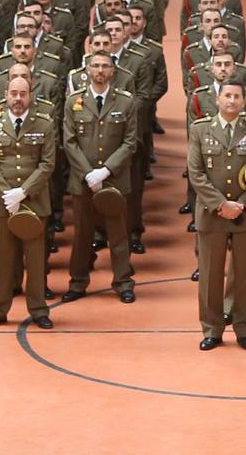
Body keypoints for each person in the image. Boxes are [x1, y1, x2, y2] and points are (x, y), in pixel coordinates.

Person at [187, 80, 246, 350]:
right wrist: (221, 204)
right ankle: (212, 329)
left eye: (237, 96)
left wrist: (241, 205)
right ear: (218, 99)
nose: (232, 101)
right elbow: (196, 173)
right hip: (212, 213)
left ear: (245, 101)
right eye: (227, 96)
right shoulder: (200, 129)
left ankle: (245, 329)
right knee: (210, 275)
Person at [0, 75, 57, 330]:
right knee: (2, 259)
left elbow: (47, 163)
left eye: (23, 94)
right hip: (3, 204)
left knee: (36, 260)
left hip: (34, 201)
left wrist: (23, 192)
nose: (18, 99)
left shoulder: (44, 123)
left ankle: (38, 309)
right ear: (6, 95)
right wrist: (7, 193)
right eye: (13, 93)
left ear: (31, 96)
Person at [63, 52, 141, 303]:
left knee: (118, 234)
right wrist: (88, 173)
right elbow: (69, 141)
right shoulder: (73, 101)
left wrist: (106, 171)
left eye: (105, 66)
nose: (100, 70)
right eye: (95, 66)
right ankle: (78, 282)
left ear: (112, 70)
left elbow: (130, 142)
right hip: (83, 180)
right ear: (87, 70)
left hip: (114, 179)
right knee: (82, 235)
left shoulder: (126, 102)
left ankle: (123, 282)